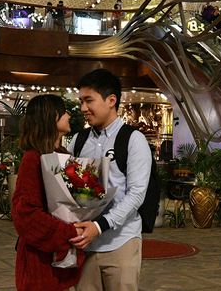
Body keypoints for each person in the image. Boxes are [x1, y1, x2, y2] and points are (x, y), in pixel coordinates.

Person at [69, 69, 151, 291]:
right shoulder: (78, 141)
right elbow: (67, 186)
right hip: (84, 245)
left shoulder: (133, 139)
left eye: (89, 101)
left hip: (121, 242)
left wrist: (100, 225)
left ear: (111, 100)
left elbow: (136, 194)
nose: (83, 108)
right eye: (81, 101)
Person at [12, 94, 85, 291]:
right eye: (64, 112)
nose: (69, 116)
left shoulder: (63, 155)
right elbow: (27, 214)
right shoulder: (33, 158)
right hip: (39, 261)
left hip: (60, 257)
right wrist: (68, 232)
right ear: (52, 116)